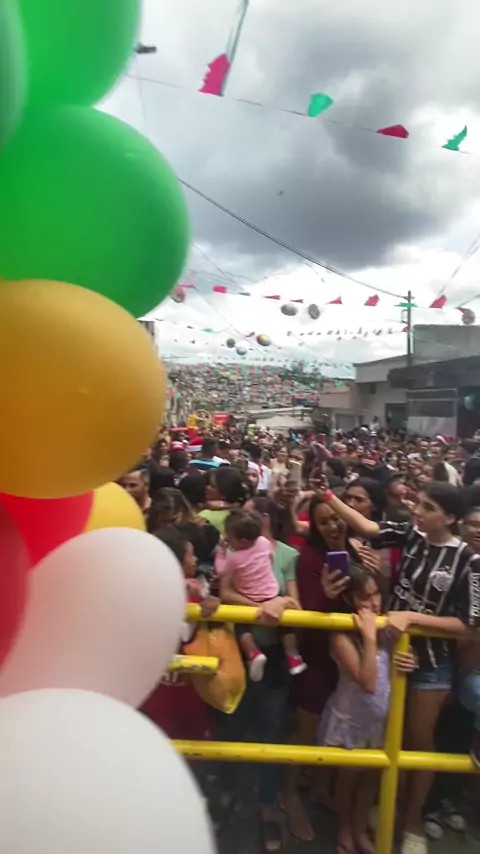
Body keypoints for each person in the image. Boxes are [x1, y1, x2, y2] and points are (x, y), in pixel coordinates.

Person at [318, 481, 480, 854]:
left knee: (417, 744)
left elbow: (472, 626)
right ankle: (381, 810)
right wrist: (327, 496)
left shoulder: (469, 561)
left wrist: (413, 618)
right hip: (388, 653)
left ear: (450, 518)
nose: (417, 511)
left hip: (431, 665)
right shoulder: (411, 534)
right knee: (385, 740)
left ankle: (412, 821)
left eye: (428, 507)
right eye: (418, 504)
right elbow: (367, 526)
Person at [318, 565, 415, 854]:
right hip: (352, 721)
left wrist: (410, 661)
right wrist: (370, 638)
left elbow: (401, 662)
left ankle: (360, 829)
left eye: (376, 595)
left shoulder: (388, 628)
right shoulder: (341, 636)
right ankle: (345, 827)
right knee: (347, 781)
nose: (373, 603)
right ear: (350, 600)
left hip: (381, 722)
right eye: (364, 597)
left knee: (371, 779)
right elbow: (368, 682)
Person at [216, 509, 306, 681]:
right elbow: (269, 559)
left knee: (241, 627)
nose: (227, 539)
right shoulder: (264, 543)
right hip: (272, 593)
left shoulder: (234, 558)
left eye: (229, 536)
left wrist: (221, 551)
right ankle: (293, 655)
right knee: (286, 626)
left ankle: (253, 653)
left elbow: (221, 570)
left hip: (251, 599)